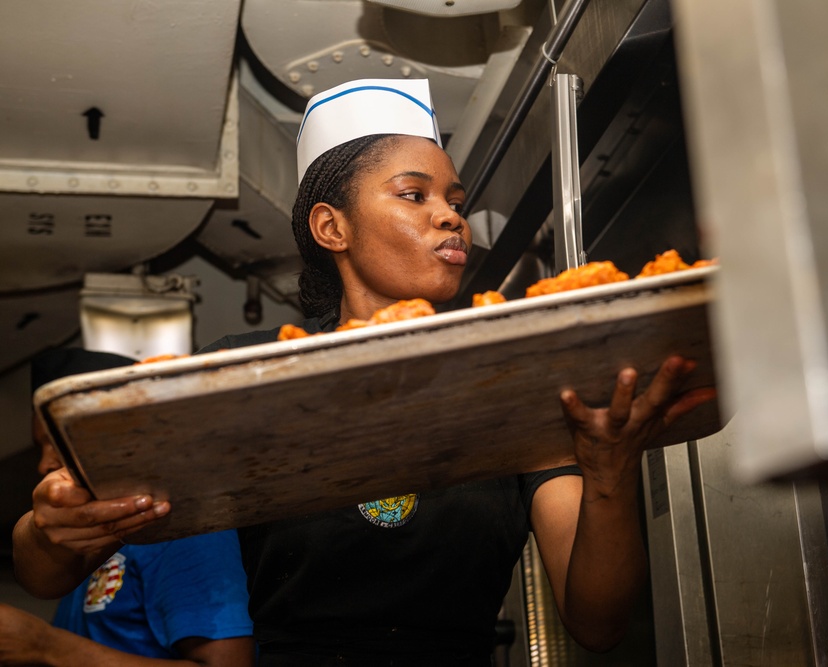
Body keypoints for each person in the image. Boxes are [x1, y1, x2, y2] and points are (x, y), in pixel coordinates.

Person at [13, 79, 716, 666]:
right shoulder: (250, 369)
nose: (450, 217)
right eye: (415, 195)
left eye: (457, 201)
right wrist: (49, 531)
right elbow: (51, 569)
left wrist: (610, 467)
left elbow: (598, 622)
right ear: (331, 228)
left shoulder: (517, 376)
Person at [2, 348, 255, 667]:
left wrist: (45, 646)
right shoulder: (82, 537)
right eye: (40, 445)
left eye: (58, 440)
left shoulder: (181, 525)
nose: (44, 463)